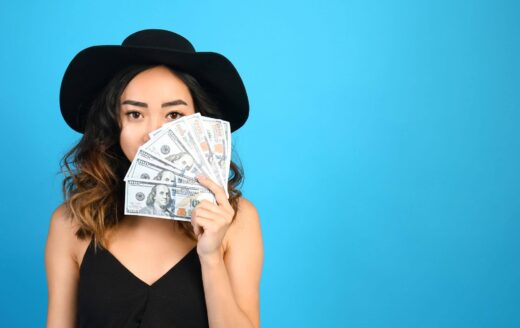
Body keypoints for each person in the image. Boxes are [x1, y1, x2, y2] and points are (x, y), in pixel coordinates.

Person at [45, 29, 263, 328]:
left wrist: (211, 256)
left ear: (201, 124)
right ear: (114, 124)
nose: (153, 133)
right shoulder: (70, 223)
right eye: (135, 114)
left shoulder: (238, 221)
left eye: (173, 115)